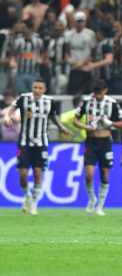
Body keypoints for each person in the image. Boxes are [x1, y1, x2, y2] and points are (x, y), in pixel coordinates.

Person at [2, 78, 70, 215]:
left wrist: (61, 127)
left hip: (41, 143)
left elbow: (53, 117)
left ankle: (34, 204)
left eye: (40, 88)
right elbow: (11, 108)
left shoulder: (49, 101)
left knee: (38, 172)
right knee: (23, 175)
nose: (37, 90)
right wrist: (7, 116)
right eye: (35, 87)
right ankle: (27, 195)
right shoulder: (24, 98)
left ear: (44, 90)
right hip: (25, 142)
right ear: (32, 88)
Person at [73, 79, 122, 216]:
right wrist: (85, 127)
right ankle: (92, 199)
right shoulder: (87, 102)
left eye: (100, 93)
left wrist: (110, 123)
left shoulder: (112, 103)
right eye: (96, 93)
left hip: (106, 142)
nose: (97, 96)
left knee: (104, 173)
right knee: (89, 175)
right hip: (91, 141)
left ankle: (100, 206)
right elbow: (75, 119)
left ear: (106, 91)